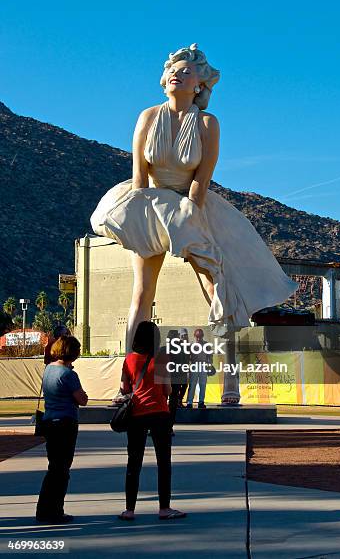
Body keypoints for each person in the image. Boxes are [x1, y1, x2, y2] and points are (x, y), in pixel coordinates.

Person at [90, 43, 298, 357]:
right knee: (142, 292)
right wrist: (136, 218)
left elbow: (202, 179)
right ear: (165, 79)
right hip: (150, 206)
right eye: (173, 71)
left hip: (191, 207)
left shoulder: (207, 124)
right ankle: (130, 377)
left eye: (186, 72)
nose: (178, 75)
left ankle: (231, 379)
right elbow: (139, 178)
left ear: (199, 84)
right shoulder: (147, 117)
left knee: (217, 289)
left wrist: (189, 215)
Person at [119, 321, 186, 521]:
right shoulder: (161, 358)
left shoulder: (129, 360)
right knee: (163, 462)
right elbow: (167, 390)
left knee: (134, 462)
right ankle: (164, 508)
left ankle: (129, 509)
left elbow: (124, 388)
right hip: (159, 413)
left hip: (137, 414)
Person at [36, 336, 88, 524]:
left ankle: (44, 509)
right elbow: (82, 399)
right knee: (62, 470)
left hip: (50, 421)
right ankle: (55, 510)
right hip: (65, 423)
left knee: (54, 468)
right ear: (72, 352)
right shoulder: (69, 375)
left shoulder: (49, 369)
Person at [167, 328, 189, 433]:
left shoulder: (166, 348)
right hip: (174, 378)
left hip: (168, 378)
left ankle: (162, 426)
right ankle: (169, 426)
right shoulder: (180, 348)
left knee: (168, 402)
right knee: (172, 403)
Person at [186, 328, 210, 409]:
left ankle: (201, 402)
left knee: (202, 385)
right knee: (192, 384)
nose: (199, 338)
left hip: (203, 366)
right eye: (197, 336)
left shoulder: (206, 345)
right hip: (194, 366)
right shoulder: (191, 345)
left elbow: (210, 356)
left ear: (203, 336)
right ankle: (189, 402)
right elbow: (188, 357)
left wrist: (209, 365)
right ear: (194, 336)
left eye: (200, 336)